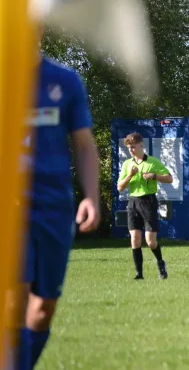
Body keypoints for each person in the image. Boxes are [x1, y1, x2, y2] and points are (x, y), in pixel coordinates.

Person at [17, 54, 101, 369]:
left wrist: (91, 196)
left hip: (54, 210)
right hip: (9, 213)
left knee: (41, 311)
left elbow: (83, 145)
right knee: (14, 304)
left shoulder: (65, 80)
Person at [117, 132, 173, 280]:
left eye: (133, 147)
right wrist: (129, 175)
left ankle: (161, 263)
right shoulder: (127, 164)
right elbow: (120, 187)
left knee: (150, 242)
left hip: (148, 202)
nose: (131, 150)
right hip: (133, 203)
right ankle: (139, 274)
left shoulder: (153, 162)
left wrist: (154, 176)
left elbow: (169, 178)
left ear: (142, 145)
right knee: (134, 239)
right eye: (129, 148)